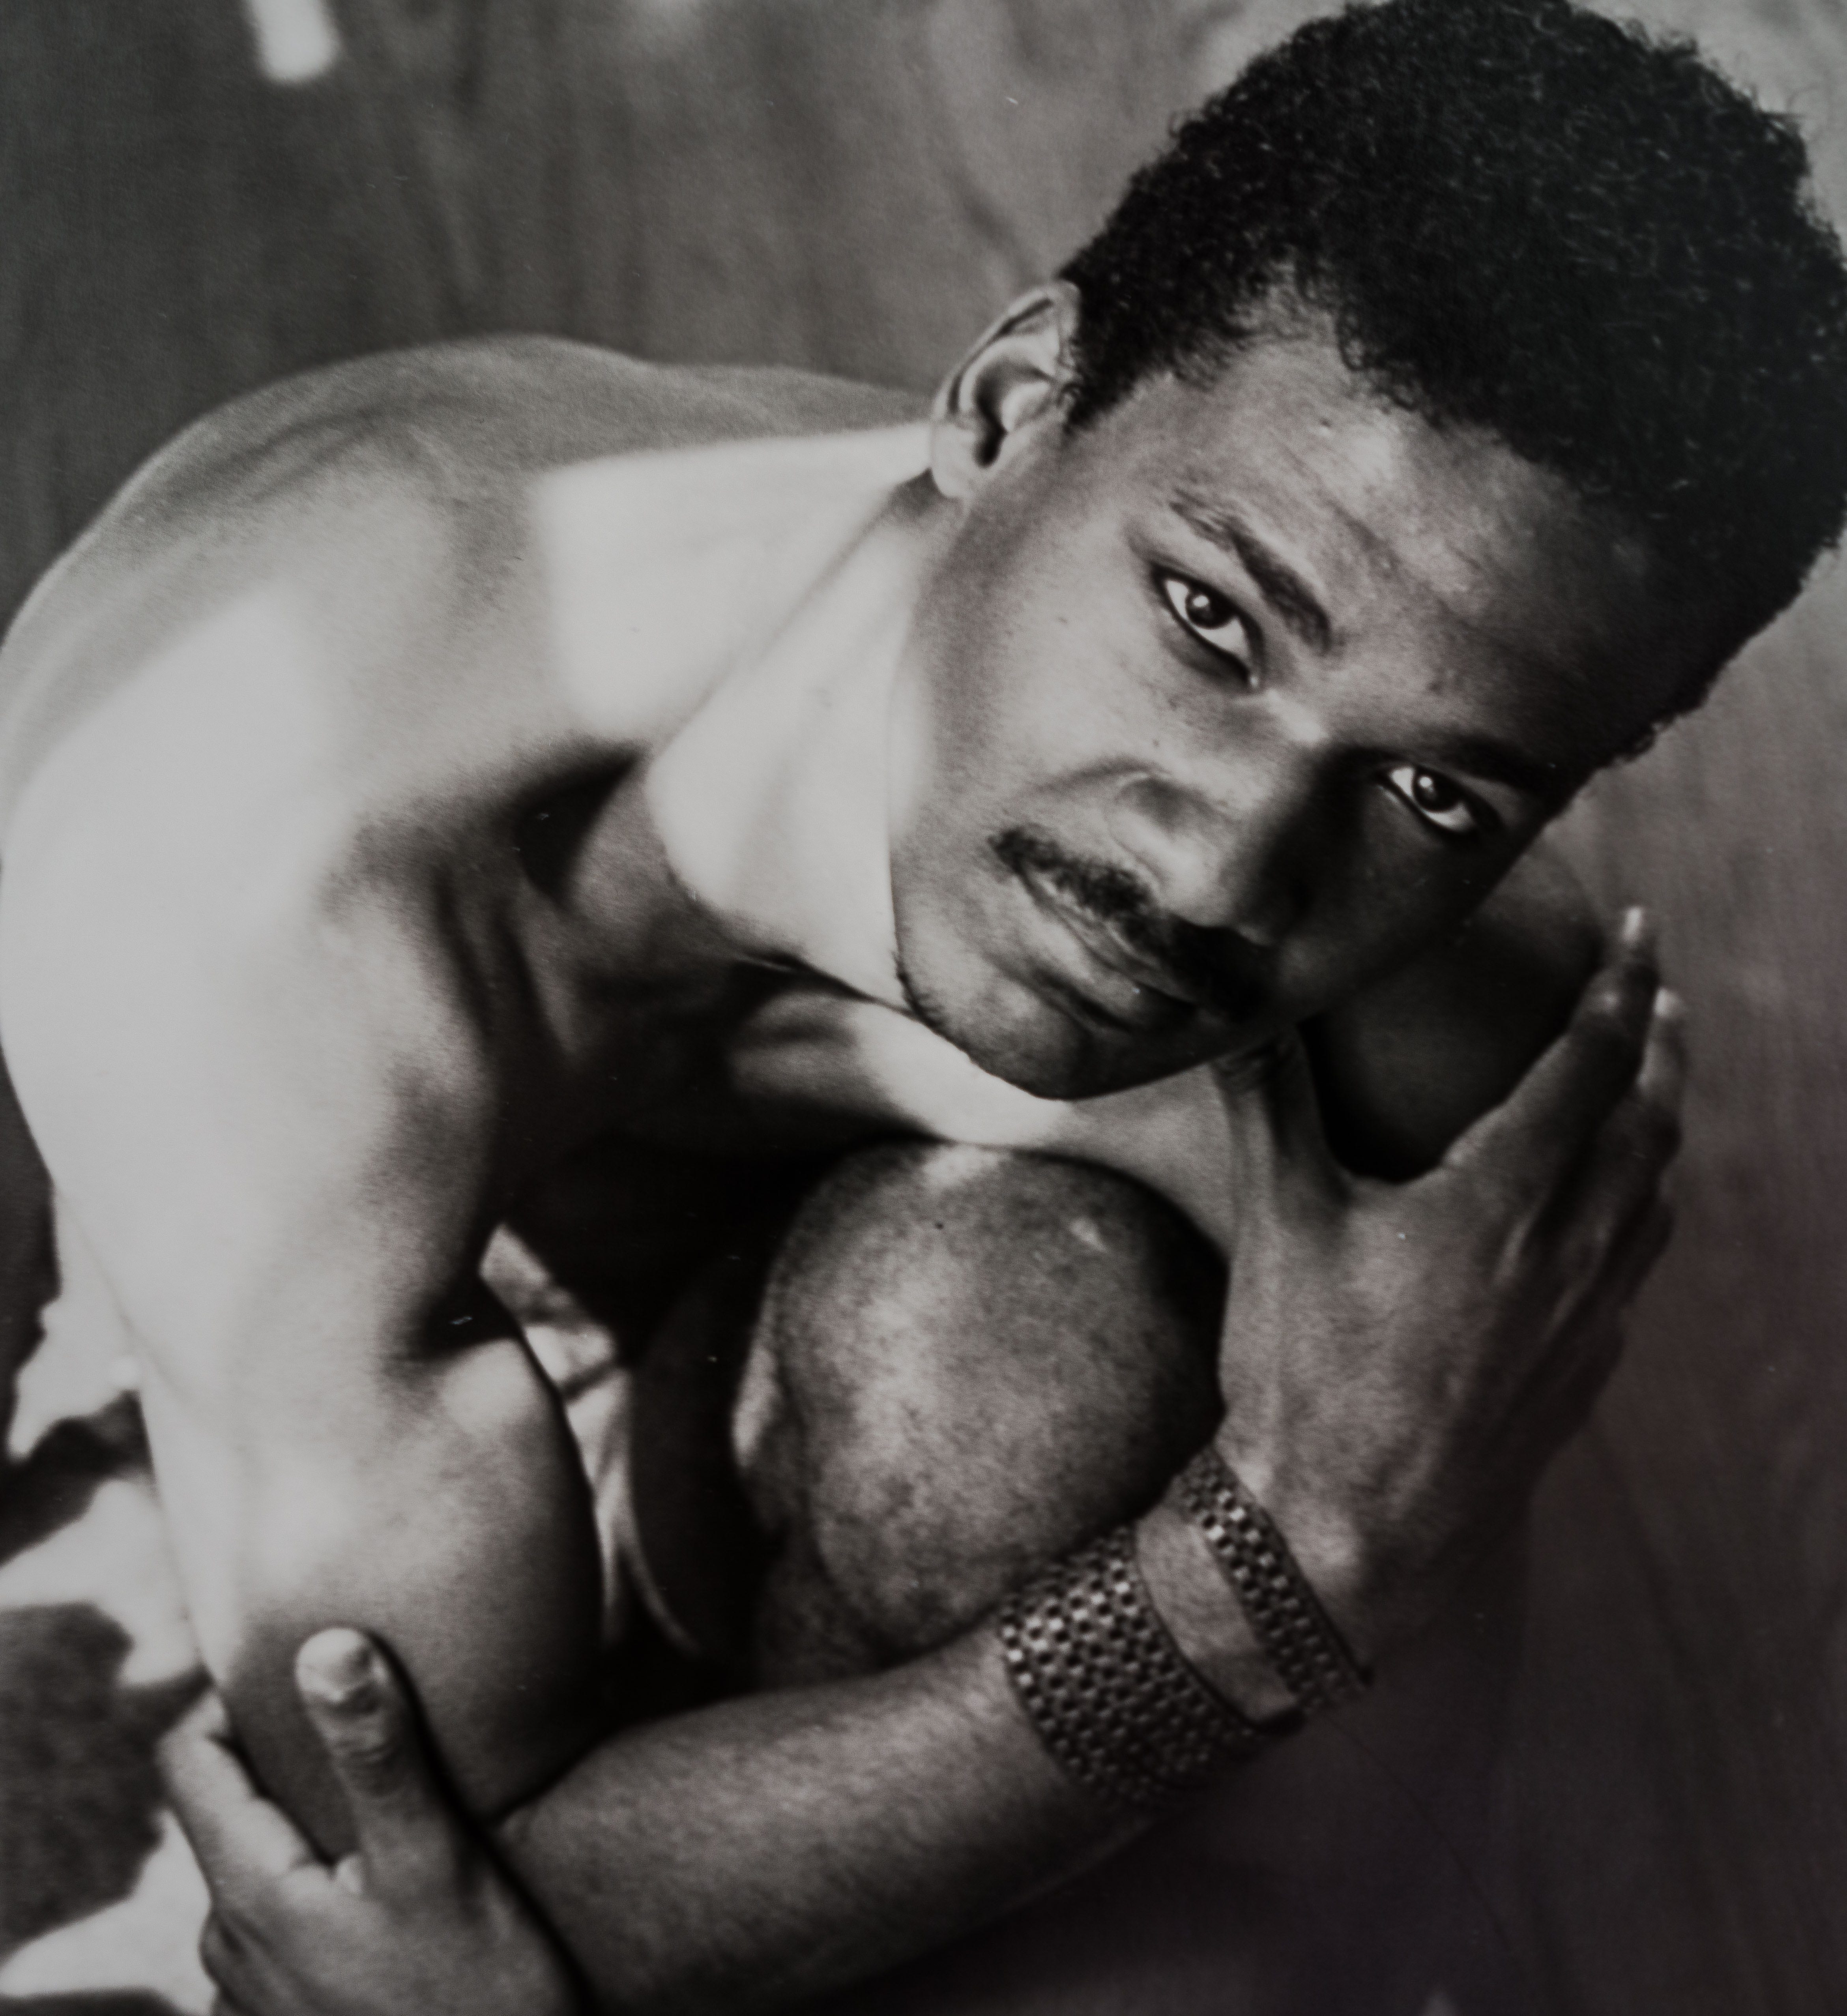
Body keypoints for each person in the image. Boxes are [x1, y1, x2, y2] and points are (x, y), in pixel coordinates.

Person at [2, 0, 1843, 2007]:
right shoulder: (248, 868)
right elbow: (400, 1903)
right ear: (1006, 403)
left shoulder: (1441, 1027)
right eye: (1210, 622)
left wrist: (1304, 1561)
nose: (1224, 872)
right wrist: (1282, 1562)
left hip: (775, 1335)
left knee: (1017, 1379)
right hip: (352, 1270)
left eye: (1434, 791)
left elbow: (1310, 1936)